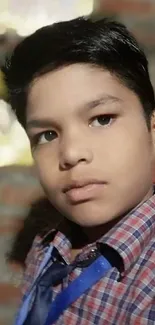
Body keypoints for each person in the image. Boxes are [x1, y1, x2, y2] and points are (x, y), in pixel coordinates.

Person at [3, 16, 155, 325]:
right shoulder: (48, 244)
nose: (71, 154)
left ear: (152, 129)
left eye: (102, 119)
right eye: (47, 134)